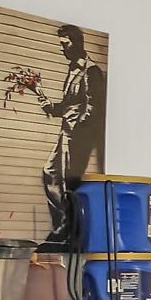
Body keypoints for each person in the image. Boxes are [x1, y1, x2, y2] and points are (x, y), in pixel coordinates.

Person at [38, 24, 105, 245]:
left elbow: (95, 107)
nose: (62, 49)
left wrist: (77, 127)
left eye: (64, 45)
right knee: (50, 173)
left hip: (77, 136)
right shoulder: (72, 70)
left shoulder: (91, 71)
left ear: (76, 44)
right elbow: (68, 105)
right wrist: (45, 101)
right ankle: (63, 224)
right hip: (66, 131)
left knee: (68, 183)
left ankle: (69, 230)